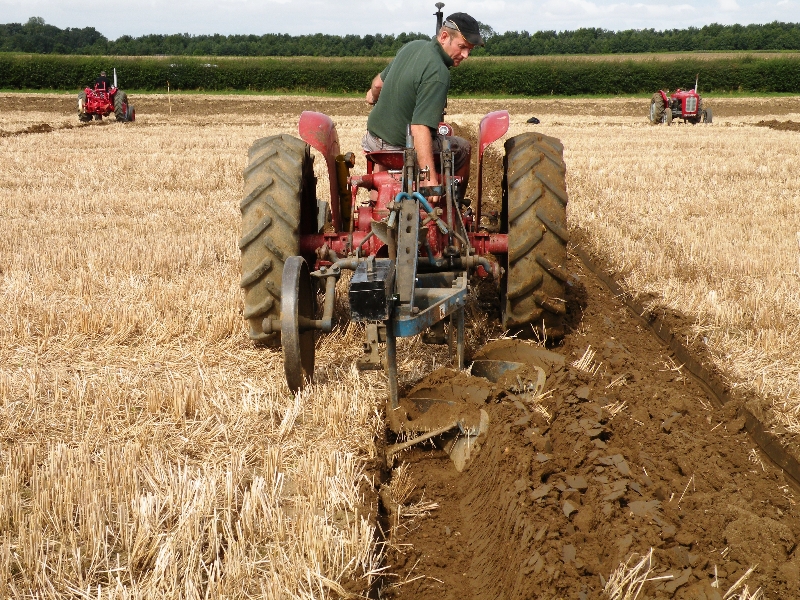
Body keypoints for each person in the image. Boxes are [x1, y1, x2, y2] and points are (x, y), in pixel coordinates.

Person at [362, 12, 483, 198]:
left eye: (470, 50)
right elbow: (419, 127)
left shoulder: (413, 46)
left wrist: (372, 96)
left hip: (374, 141)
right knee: (463, 148)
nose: (466, 55)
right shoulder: (439, 73)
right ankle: (455, 208)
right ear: (444, 37)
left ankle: (379, 198)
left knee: (387, 153)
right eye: (462, 47)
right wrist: (429, 178)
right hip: (400, 147)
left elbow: (378, 84)